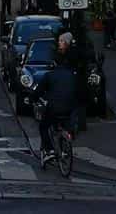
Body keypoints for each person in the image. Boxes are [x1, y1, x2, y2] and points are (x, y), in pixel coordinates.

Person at [35, 33, 78, 162]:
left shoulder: (50, 75)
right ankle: (65, 143)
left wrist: (34, 98)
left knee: (43, 125)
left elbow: (38, 91)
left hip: (54, 107)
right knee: (64, 123)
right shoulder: (71, 75)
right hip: (70, 107)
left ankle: (49, 150)